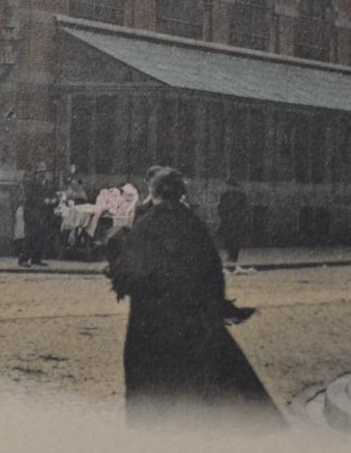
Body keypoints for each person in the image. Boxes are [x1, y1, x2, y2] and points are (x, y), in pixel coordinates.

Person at [107, 168, 283, 429]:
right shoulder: (196, 226)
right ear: (180, 194)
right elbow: (213, 274)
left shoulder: (146, 225)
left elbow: (129, 277)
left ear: (153, 193)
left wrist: (115, 254)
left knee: (152, 391)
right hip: (192, 324)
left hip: (151, 326)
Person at [19, 163, 57, 267]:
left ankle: (36, 258)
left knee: (41, 237)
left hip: (44, 214)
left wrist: (54, 200)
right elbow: (30, 197)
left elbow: (53, 195)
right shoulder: (30, 183)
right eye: (40, 172)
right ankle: (23, 258)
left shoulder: (48, 183)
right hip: (32, 213)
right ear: (36, 173)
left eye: (44, 172)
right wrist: (44, 201)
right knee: (30, 236)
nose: (42, 174)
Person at [217, 178, 252, 266]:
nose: (229, 188)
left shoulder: (241, 196)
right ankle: (230, 254)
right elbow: (220, 207)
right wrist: (224, 215)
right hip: (227, 221)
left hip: (236, 221)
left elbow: (244, 209)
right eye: (228, 186)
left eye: (231, 186)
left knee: (235, 239)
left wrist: (239, 217)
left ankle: (234, 256)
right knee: (227, 239)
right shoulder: (224, 196)